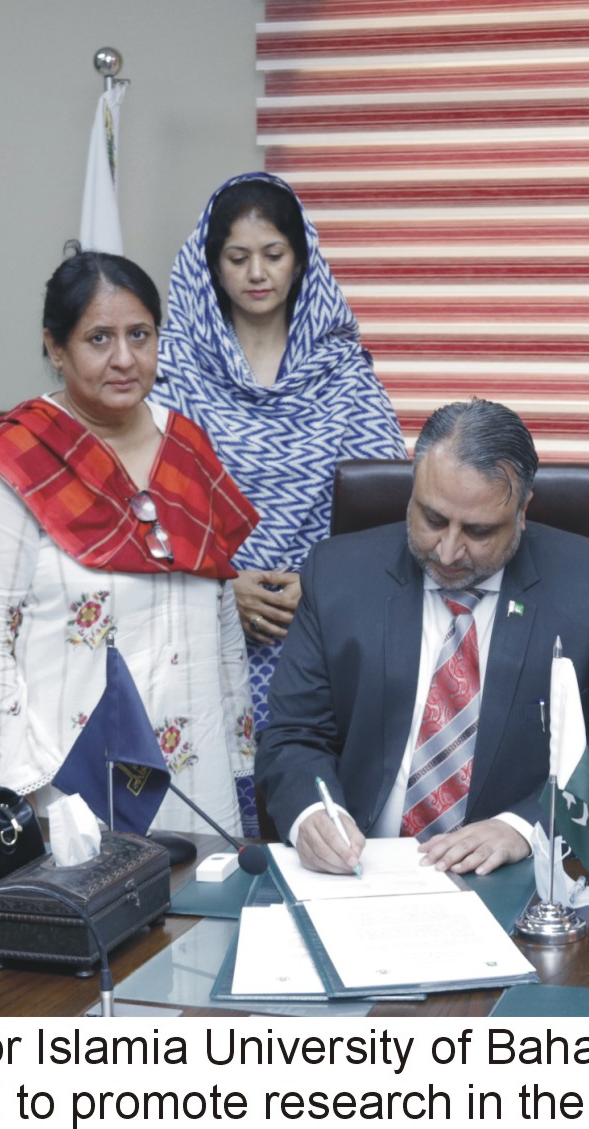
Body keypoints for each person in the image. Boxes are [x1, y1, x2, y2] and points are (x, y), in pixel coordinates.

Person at [259, 399, 589, 875]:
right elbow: (293, 734)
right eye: (432, 519)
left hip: (523, 879)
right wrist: (312, 815)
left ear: (523, 512)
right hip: (366, 873)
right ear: (413, 491)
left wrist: (525, 828)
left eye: (478, 531)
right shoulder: (337, 574)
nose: (449, 551)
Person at [0, 252, 259, 839]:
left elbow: (222, 619)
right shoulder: (13, 464)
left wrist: (239, 760)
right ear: (56, 348)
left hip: (198, 776)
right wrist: (23, 795)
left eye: (140, 335)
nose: (124, 358)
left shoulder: (187, 447)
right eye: (99, 338)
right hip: (70, 789)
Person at [153, 172, 410, 829]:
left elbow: (388, 507)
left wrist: (323, 587)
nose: (256, 273)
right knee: (213, 830)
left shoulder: (344, 371)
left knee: (314, 821)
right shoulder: (170, 370)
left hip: (320, 631)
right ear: (211, 265)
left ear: (301, 258)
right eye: (237, 258)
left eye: (273, 254)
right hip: (203, 630)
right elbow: (142, 510)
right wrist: (220, 590)